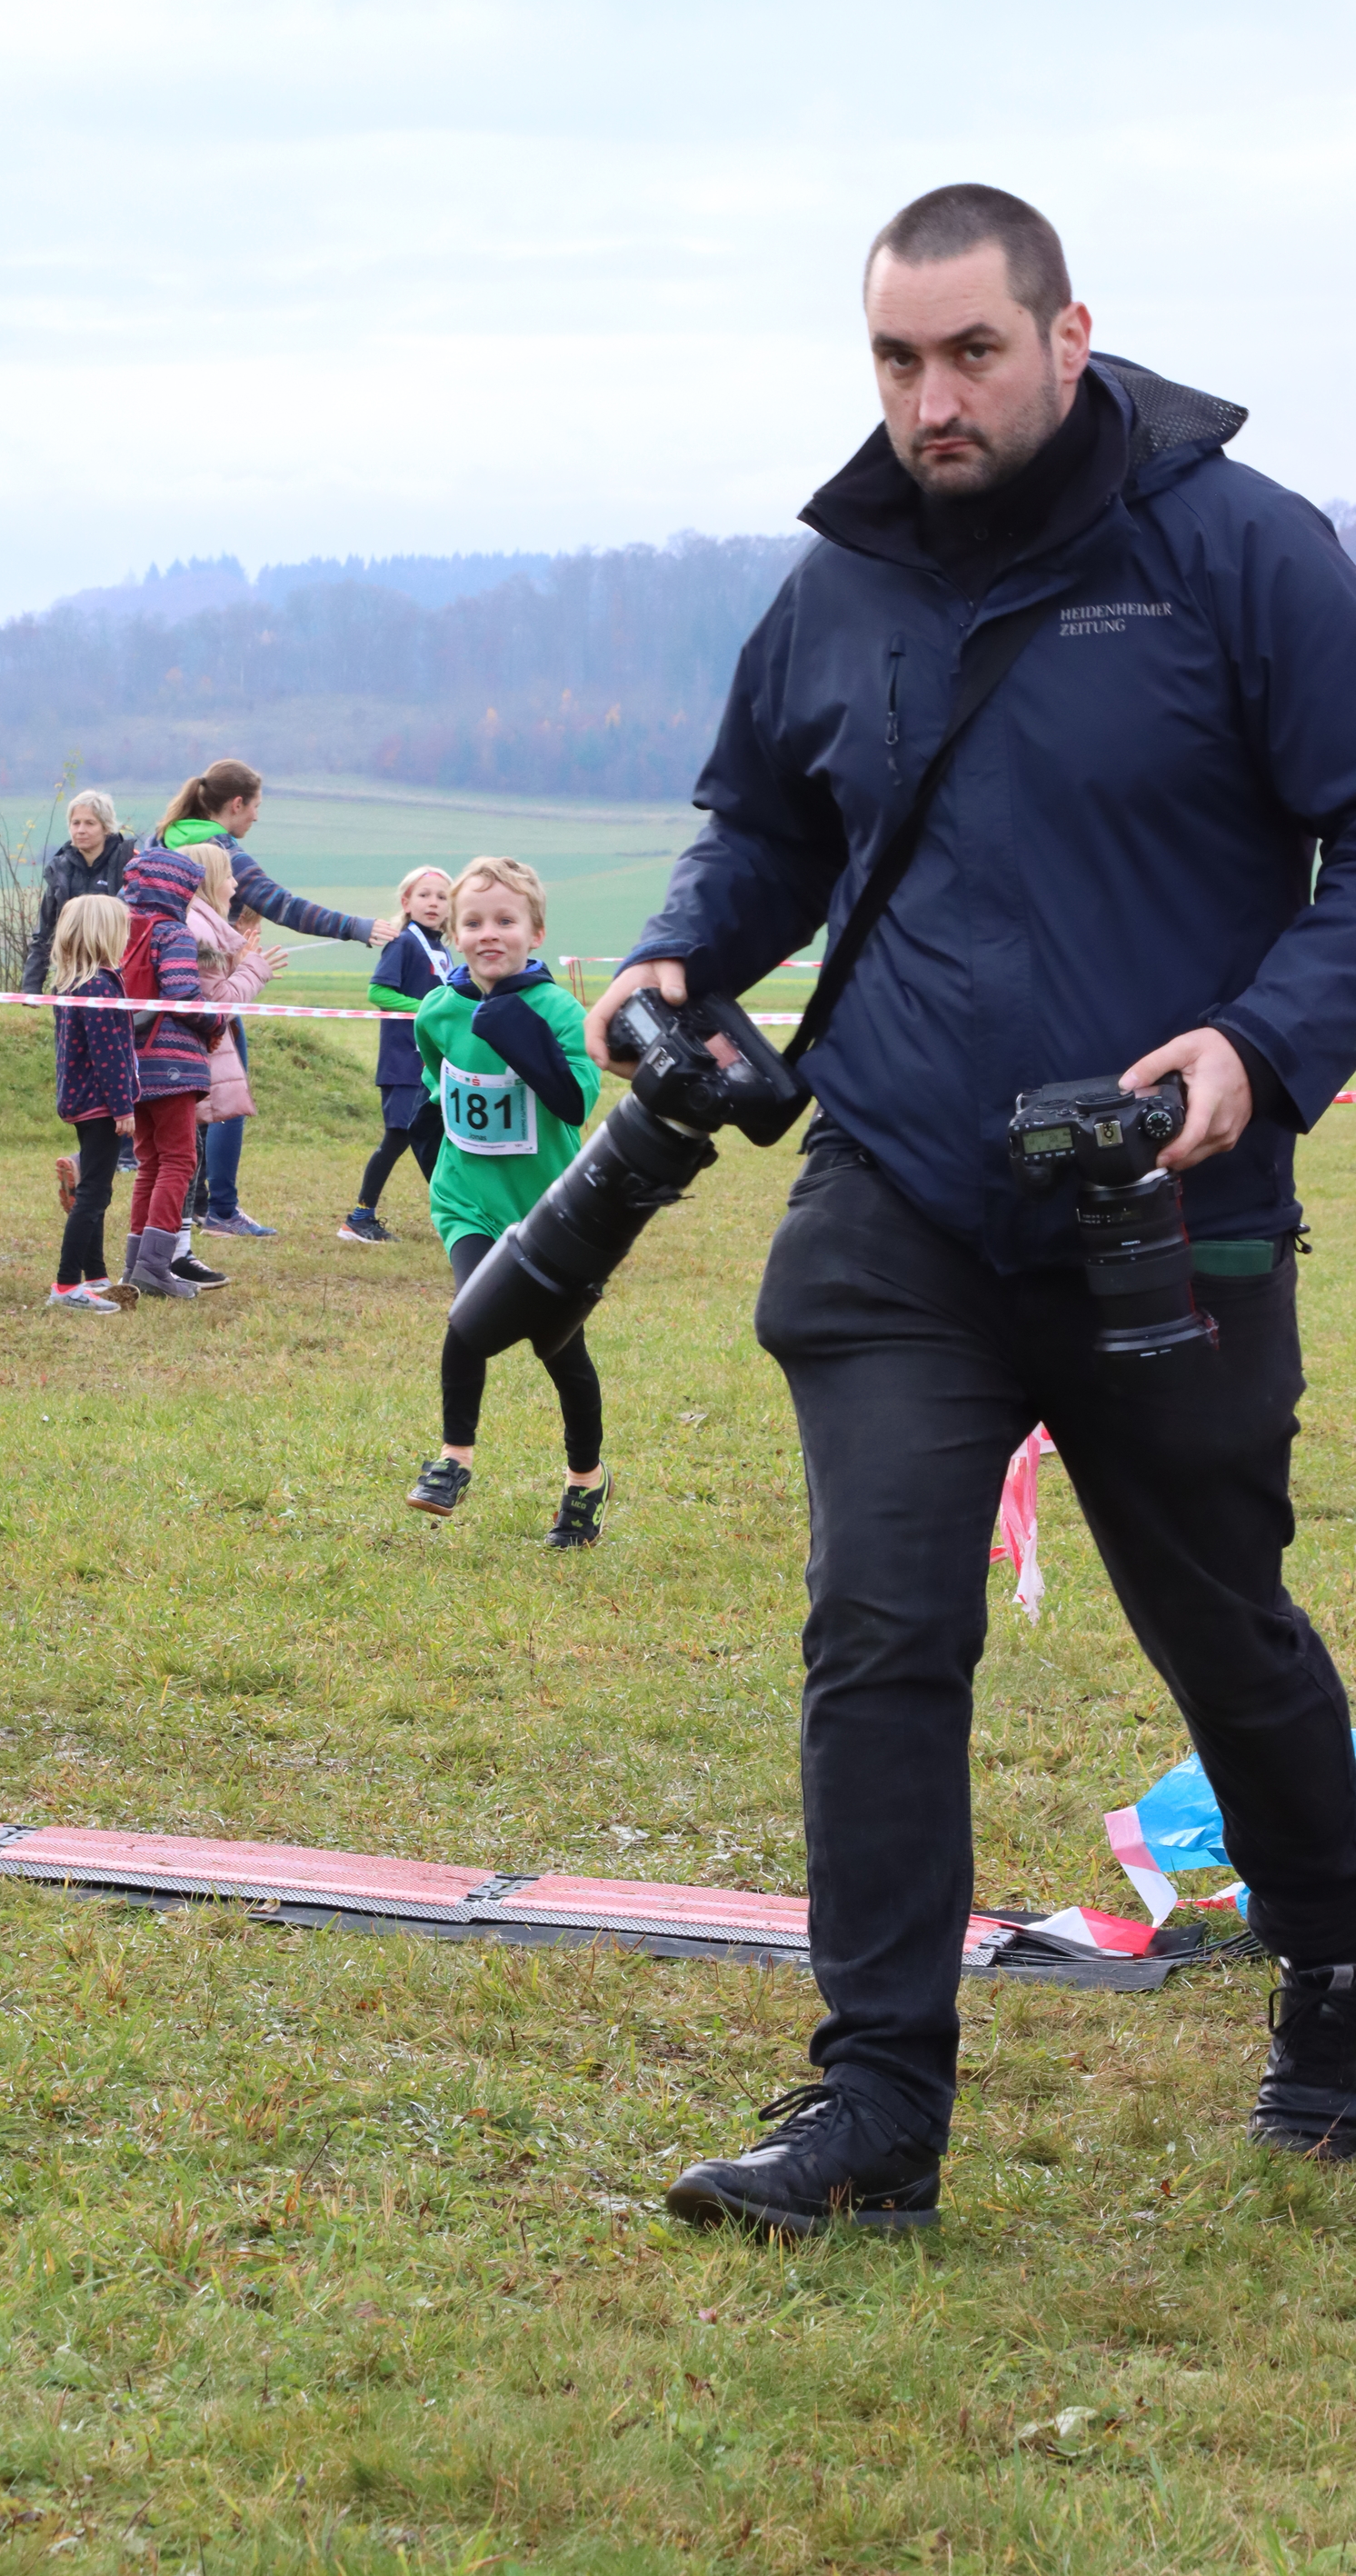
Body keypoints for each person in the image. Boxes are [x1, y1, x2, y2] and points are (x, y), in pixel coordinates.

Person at [586, 181, 1356, 2235]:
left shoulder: (1243, 553)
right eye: (893, 360)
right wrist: (677, 950)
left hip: (1164, 1204)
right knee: (879, 1620)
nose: (929, 400)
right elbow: (762, 825)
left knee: (1220, 1623)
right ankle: (872, 2107)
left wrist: (1253, 1048)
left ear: (1067, 336)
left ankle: (1342, 1969)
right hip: (896, 1185)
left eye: (970, 353)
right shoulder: (836, 581)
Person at [408, 856, 608, 1547]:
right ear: (454, 934)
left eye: (505, 920)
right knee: (470, 1314)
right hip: (467, 1200)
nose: (488, 933)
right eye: (472, 922)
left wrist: (522, 1038)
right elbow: (436, 1076)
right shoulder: (438, 1009)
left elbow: (577, 1101)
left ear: (536, 932)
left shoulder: (560, 1012)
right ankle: (453, 1460)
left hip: (550, 1213)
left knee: (562, 1354)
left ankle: (586, 1481)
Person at [157, 759, 401, 1238]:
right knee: (228, 1092)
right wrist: (356, 927)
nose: (256, 817)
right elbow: (282, 904)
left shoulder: (163, 838)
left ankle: (193, 1202)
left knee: (182, 1096)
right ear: (236, 803)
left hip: (163, 985)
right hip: (214, 984)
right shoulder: (219, 850)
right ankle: (222, 1209)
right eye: (255, 806)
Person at [116, 845, 226, 1300]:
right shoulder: (173, 932)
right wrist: (216, 1022)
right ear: (175, 889)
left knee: (150, 1163)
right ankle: (156, 1268)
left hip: (132, 1061)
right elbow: (182, 994)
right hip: (174, 1063)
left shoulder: (119, 929)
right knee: (179, 1159)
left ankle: (135, 1265)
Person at [180, 841, 287, 1290]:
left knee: (185, 1146)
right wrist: (254, 969)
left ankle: (182, 1237)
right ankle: (182, 1243)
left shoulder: (203, 924)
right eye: (227, 875)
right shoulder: (200, 929)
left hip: (197, 1047)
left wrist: (238, 963)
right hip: (195, 1049)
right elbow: (217, 1001)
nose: (235, 884)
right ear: (208, 881)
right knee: (186, 1148)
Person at [339, 864, 453, 1243]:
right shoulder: (404, 942)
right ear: (406, 902)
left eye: (442, 897)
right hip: (403, 1060)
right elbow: (378, 992)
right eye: (424, 895)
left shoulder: (440, 948)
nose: (433, 903)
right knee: (399, 1136)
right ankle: (359, 1218)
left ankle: (459, 1212)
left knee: (436, 1137)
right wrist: (427, 1008)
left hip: (431, 1063)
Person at [46, 894, 141, 1313]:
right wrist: (123, 1106)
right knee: (94, 1195)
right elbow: (109, 1056)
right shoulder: (100, 986)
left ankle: (96, 1275)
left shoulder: (72, 984)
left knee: (96, 1190)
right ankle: (67, 1284)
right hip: (101, 1104)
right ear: (106, 933)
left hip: (81, 1100)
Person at [23, 789, 136, 994]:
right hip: (69, 979)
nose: (81, 830)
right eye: (75, 823)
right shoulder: (60, 869)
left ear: (106, 827)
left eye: (90, 823)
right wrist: (31, 987)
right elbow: (44, 932)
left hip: (120, 977)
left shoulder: (129, 863)